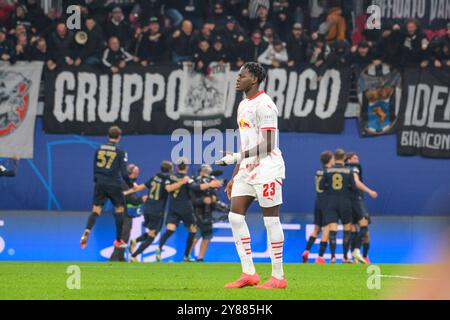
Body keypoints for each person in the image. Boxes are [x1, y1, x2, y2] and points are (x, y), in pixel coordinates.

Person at [215, 62, 286, 289]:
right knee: (235, 217)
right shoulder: (244, 104)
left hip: (267, 168)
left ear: (253, 79)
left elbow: (268, 144)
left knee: (271, 220)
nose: (237, 79)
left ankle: (278, 277)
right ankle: (249, 273)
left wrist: (235, 158)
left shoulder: (265, 105)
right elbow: (246, 141)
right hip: (247, 168)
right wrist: (235, 175)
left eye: (241, 75)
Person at [156, 158, 222, 262]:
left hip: (174, 209)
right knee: (191, 230)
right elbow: (170, 188)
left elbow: (195, 187)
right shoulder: (183, 178)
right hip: (185, 209)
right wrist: (183, 182)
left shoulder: (173, 177)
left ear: (177, 167)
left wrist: (209, 185)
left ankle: (180, 254)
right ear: (186, 167)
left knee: (171, 230)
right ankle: (181, 254)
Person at [80, 126, 133, 250]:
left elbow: (94, 167)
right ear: (119, 137)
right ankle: (119, 240)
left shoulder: (99, 148)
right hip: (114, 183)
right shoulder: (120, 151)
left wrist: (97, 181)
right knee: (119, 209)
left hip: (100, 183)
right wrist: (131, 185)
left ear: (108, 136)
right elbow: (124, 173)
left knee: (96, 210)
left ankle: (87, 230)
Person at [126, 160, 174, 262]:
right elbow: (169, 189)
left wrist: (126, 192)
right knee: (152, 235)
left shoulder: (154, 178)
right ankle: (134, 256)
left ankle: (136, 240)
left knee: (153, 232)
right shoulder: (168, 180)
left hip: (147, 208)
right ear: (170, 170)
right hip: (157, 210)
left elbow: (140, 187)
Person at [319, 149, 355, 264]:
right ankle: (345, 257)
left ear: (334, 157)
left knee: (333, 230)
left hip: (331, 202)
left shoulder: (328, 170)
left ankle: (333, 257)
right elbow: (353, 187)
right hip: (345, 202)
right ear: (344, 157)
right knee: (346, 230)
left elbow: (321, 186)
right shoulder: (348, 171)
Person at [110, 164, 147, 262]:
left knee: (125, 236)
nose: (137, 175)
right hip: (122, 212)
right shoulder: (123, 183)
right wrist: (141, 199)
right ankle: (114, 258)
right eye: (135, 173)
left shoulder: (130, 182)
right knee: (123, 236)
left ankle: (121, 258)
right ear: (129, 173)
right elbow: (128, 198)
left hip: (126, 213)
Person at [345, 152, 378, 264]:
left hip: (348, 202)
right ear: (348, 160)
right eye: (354, 158)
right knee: (364, 227)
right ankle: (357, 252)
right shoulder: (354, 168)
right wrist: (369, 191)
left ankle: (356, 258)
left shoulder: (344, 169)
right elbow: (356, 181)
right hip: (357, 200)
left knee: (353, 229)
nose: (357, 160)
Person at [302, 151, 334, 263]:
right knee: (327, 228)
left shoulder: (318, 172)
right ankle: (320, 257)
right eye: (333, 158)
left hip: (318, 201)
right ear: (330, 159)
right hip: (327, 202)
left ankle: (306, 250)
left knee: (316, 228)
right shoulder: (329, 172)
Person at [190, 164, 220, 262]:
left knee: (207, 236)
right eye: (205, 172)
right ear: (201, 172)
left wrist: (213, 199)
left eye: (208, 172)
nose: (207, 175)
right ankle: (187, 255)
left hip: (208, 213)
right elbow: (191, 199)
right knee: (196, 236)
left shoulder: (212, 183)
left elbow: (215, 197)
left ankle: (200, 258)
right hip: (196, 213)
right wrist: (202, 200)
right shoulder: (194, 182)